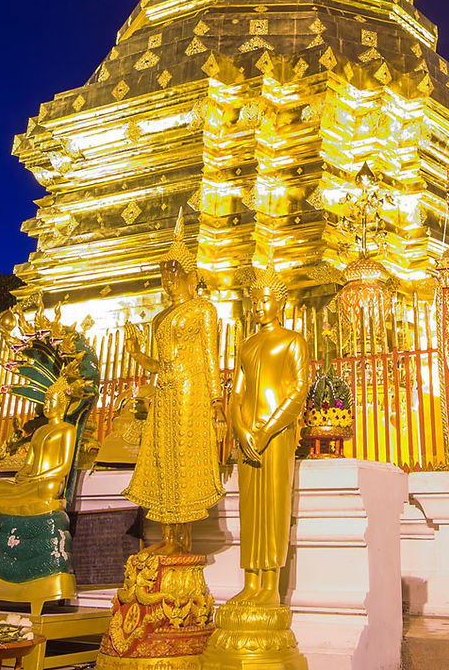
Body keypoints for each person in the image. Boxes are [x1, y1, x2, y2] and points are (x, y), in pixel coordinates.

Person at [124, 212, 224, 554]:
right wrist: (137, 355)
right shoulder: (159, 317)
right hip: (165, 390)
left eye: (174, 272)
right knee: (162, 459)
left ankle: (183, 539)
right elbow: (159, 363)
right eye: (165, 273)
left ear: (188, 274)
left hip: (190, 391)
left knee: (184, 458)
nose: (169, 280)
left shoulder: (203, 310)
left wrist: (216, 402)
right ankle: (167, 537)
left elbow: (211, 356)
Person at [231, 268, 309, 605]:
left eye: (266, 300)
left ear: (281, 302)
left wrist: (266, 429)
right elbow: (235, 394)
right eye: (255, 301)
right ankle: (250, 581)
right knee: (249, 510)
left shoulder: (294, 341)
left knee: (274, 506)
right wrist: (241, 429)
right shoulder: (246, 346)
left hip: (275, 434)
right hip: (248, 435)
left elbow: (298, 389)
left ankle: (270, 586)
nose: (259, 306)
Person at [0, 377, 75, 517]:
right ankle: (14, 496)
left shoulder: (67, 430)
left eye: (51, 402)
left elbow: (64, 466)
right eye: (45, 402)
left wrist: (39, 477)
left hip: (45, 481)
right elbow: (28, 462)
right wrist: (23, 473)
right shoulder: (39, 431)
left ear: (62, 405)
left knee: (50, 487)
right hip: (29, 482)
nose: (47, 405)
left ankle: (10, 498)